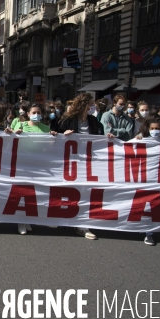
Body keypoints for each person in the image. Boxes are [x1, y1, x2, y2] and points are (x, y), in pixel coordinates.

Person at [56, 93, 104, 241]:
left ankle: (82, 225)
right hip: (69, 161)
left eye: (92, 104)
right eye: (90, 104)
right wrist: (63, 135)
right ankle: (63, 218)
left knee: (84, 191)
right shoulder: (67, 120)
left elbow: (100, 137)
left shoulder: (94, 121)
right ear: (82, 105)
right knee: (66, 190)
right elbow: (54, 137)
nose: (92, 106)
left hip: (88, 162)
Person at [5, 103, 57, 235]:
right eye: (33, 112)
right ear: (28, 114)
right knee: (22, 191)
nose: (36, 115)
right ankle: (21, 221)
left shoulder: (45, 128)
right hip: (22, 162)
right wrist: (11, 133)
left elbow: (49, 147)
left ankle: (29, 218)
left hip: (38, 164)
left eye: (38, 112)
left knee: (34, 193)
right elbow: (9, 137)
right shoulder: (20, 125)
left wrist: (54, 138)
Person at [135, 116, 160, 246]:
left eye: (157, 129)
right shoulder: (143, 140)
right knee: (142, 203)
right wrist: (137, 138)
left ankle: (150, 233)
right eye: (152, 128)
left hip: (159, 178)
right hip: (144, 177)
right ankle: (143, 228)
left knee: (154, 205)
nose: (155, 131)